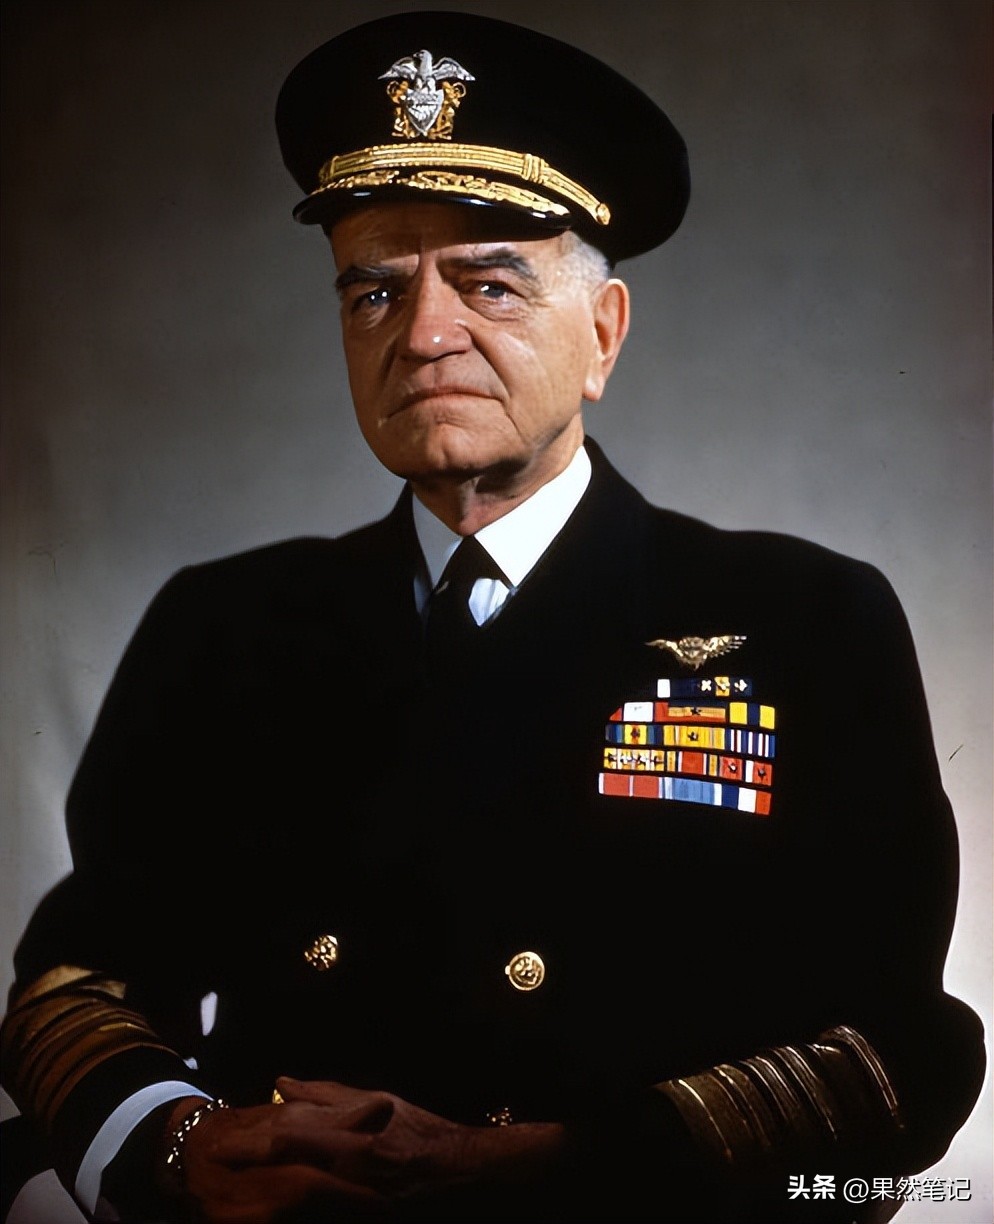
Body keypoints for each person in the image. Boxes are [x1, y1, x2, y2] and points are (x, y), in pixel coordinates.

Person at [0, 10, 985, 1224]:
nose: (423, 334)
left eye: (490, 282)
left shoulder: (805, 621)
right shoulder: (226, 625)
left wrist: (559, 1170)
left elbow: (888, 1054)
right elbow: (77, 980)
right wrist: (175, 1148)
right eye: (373, 289)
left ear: (602, 336)